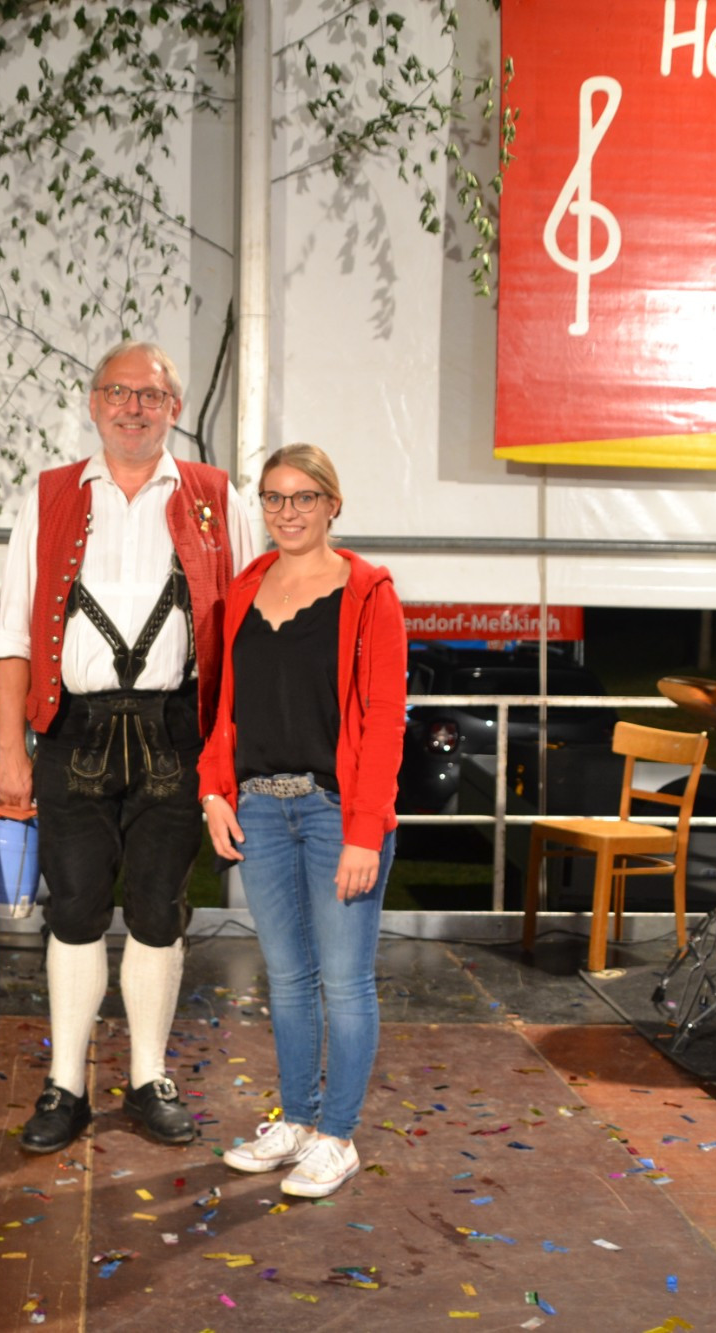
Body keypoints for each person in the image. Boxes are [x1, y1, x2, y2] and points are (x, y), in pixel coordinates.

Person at [0, 340, 253, 1153]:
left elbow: (245, 633)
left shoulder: (219, 496)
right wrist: (11, 748)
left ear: (175, 407)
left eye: (150, 394)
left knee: (158, 907)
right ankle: (65, 1083)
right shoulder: (49, 495)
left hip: (177, 729)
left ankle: (147, 1076)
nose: (133, 407)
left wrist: (229, 755)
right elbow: (13, 631)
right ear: (94, 402)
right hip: (74, 727)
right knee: (72, 907)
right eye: (118, 392)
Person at [200, 444, 406, 1199]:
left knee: (344, 983)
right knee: (287, 980)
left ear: (332, 503)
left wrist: (364, 830)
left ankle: (337, 1136)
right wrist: (214, 792)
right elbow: (222, 703)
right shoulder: (244, 588)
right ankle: (296, 1120)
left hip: (333, 814)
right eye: (274, 497)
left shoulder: (369, 592)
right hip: (258, 807)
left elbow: (384, 718)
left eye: (304, 497)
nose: (287, 511)